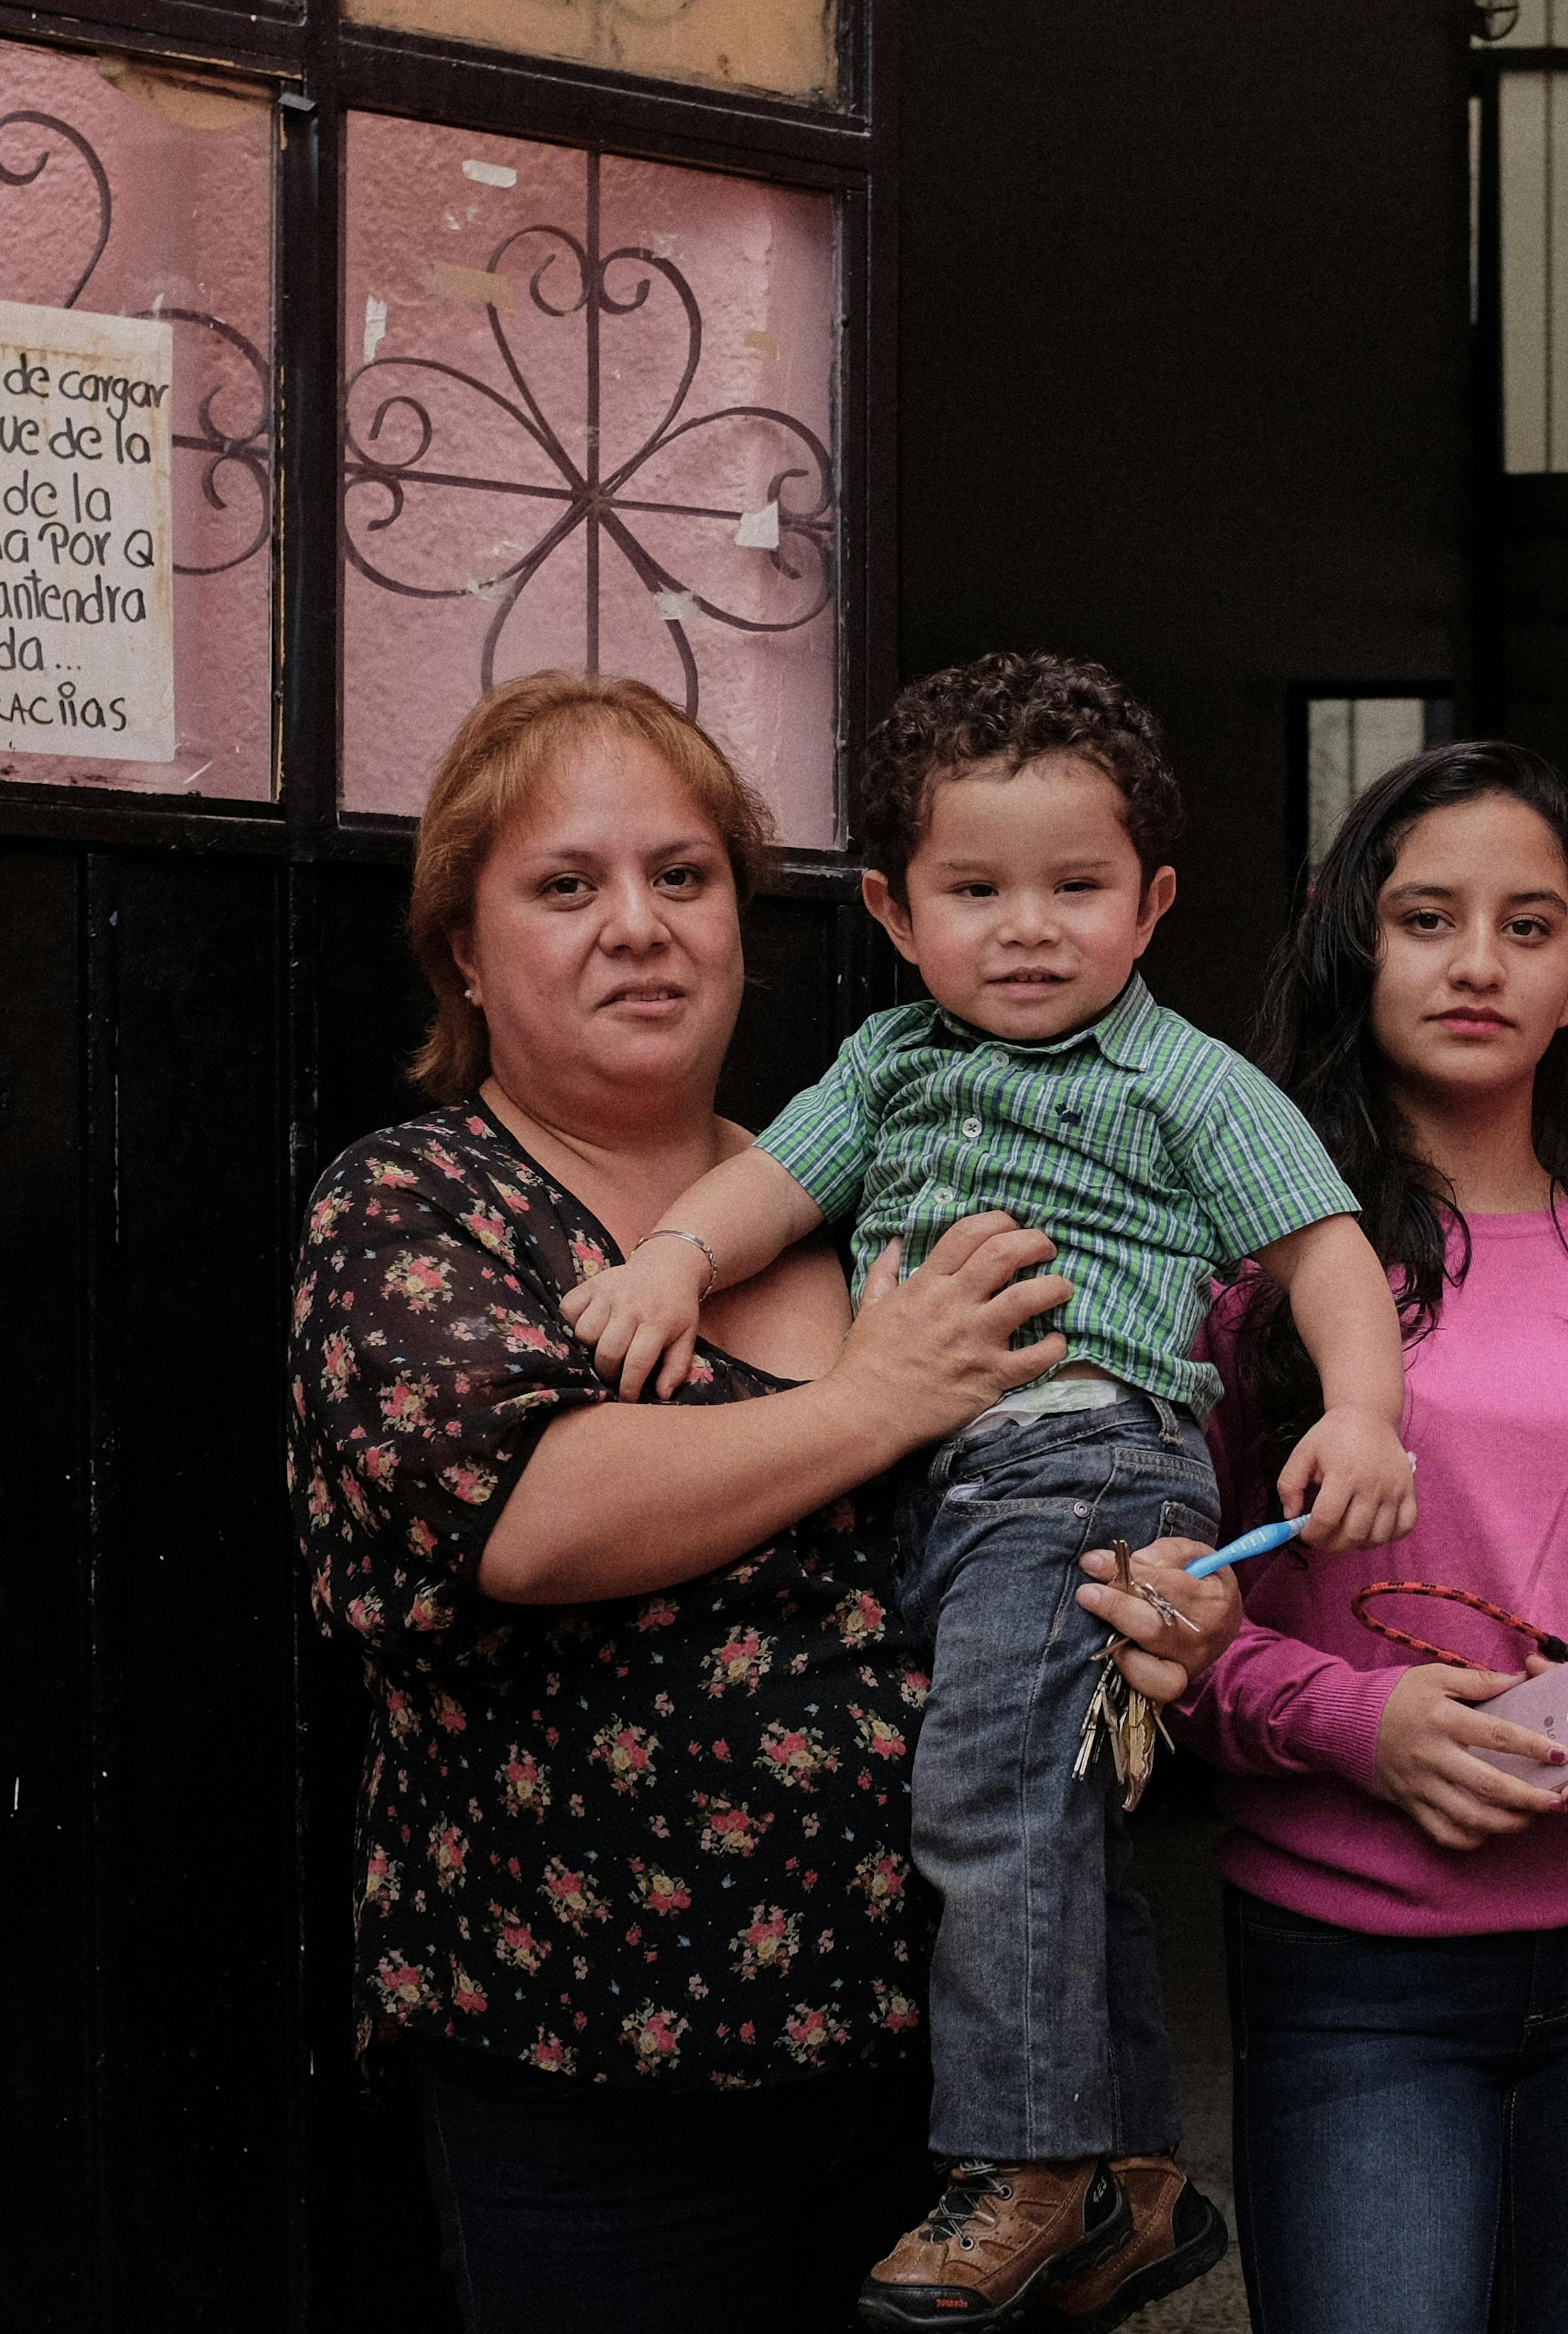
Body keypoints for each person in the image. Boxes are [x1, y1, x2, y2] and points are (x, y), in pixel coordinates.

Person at [287, 672, 1244, 2334]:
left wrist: (1158, 1596)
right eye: (565, 884)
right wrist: (879, 1398)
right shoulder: (417, 1201)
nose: (639, 928)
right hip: (602, 2085)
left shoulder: (881, 1193)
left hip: (951, 2111)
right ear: (463, 944)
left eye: (684, 875)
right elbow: (525, 1511)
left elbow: (1064, 1465)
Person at [567, 653, 1414, 2330]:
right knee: (1046, 1809)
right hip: (934, 1491)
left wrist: (1368, 1412)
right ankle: (1136, 2177)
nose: (1028, 927)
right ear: (890, 907)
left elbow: (1327, 1250)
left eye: (1075, 887)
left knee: (986, 1800)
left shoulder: (1181, 1080)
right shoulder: (884, 1066)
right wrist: (667, 1260)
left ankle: (1027, 2154)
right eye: (976, 888)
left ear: (1153, 901)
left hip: (1089, 1458)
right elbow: (764, 1186)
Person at [1174, 742, 1568, 2334]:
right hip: (1350, 1971)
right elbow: (1159, 1617)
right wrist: (1357, 1722)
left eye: (1527, 925)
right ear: (1354, 944)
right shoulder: (1245, 1286)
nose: (1478, 962)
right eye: (1427, 917)